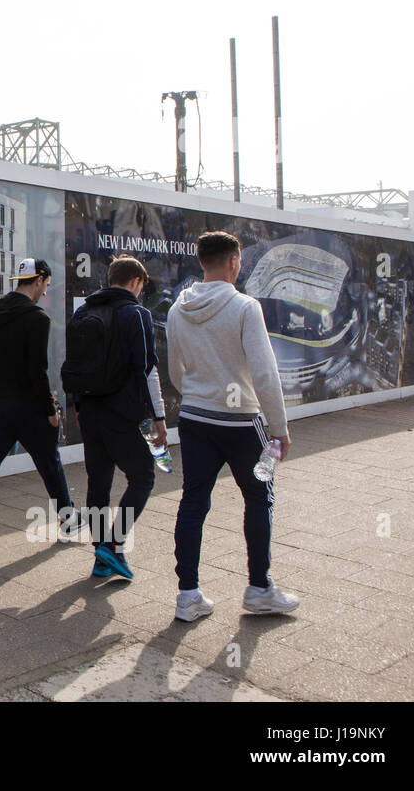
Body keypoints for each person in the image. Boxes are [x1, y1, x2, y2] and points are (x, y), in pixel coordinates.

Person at [167, 231, 297, 621]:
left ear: (201, 261)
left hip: (194, 419)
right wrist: (279, 428)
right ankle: (259, 589)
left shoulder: (177, 310)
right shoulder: (245, 307)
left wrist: (197, 394)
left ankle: (188, 596)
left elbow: (175, 370)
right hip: (242, 423)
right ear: (234, 262)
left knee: (193, 503)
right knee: (259, 499)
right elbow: (264, 372)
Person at [0, 258, 79, 556]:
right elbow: (37, 371)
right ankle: (68, 522)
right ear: (38, 281)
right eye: (46, 286)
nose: (45, 292)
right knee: (50, 463)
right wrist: (51, 410)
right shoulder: (37, 318)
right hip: (28, 407)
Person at [65, 256, 167, 581]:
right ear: (136, 282)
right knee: (143, 477)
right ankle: (113, 544)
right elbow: (147, 370)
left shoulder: (83, 312)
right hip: (122, 414)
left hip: (90, 413)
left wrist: (79, 409)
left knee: (99, 483)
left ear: (111, 279)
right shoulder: (136, 314)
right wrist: (159, 418)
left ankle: (101, 556)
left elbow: (76, 366)